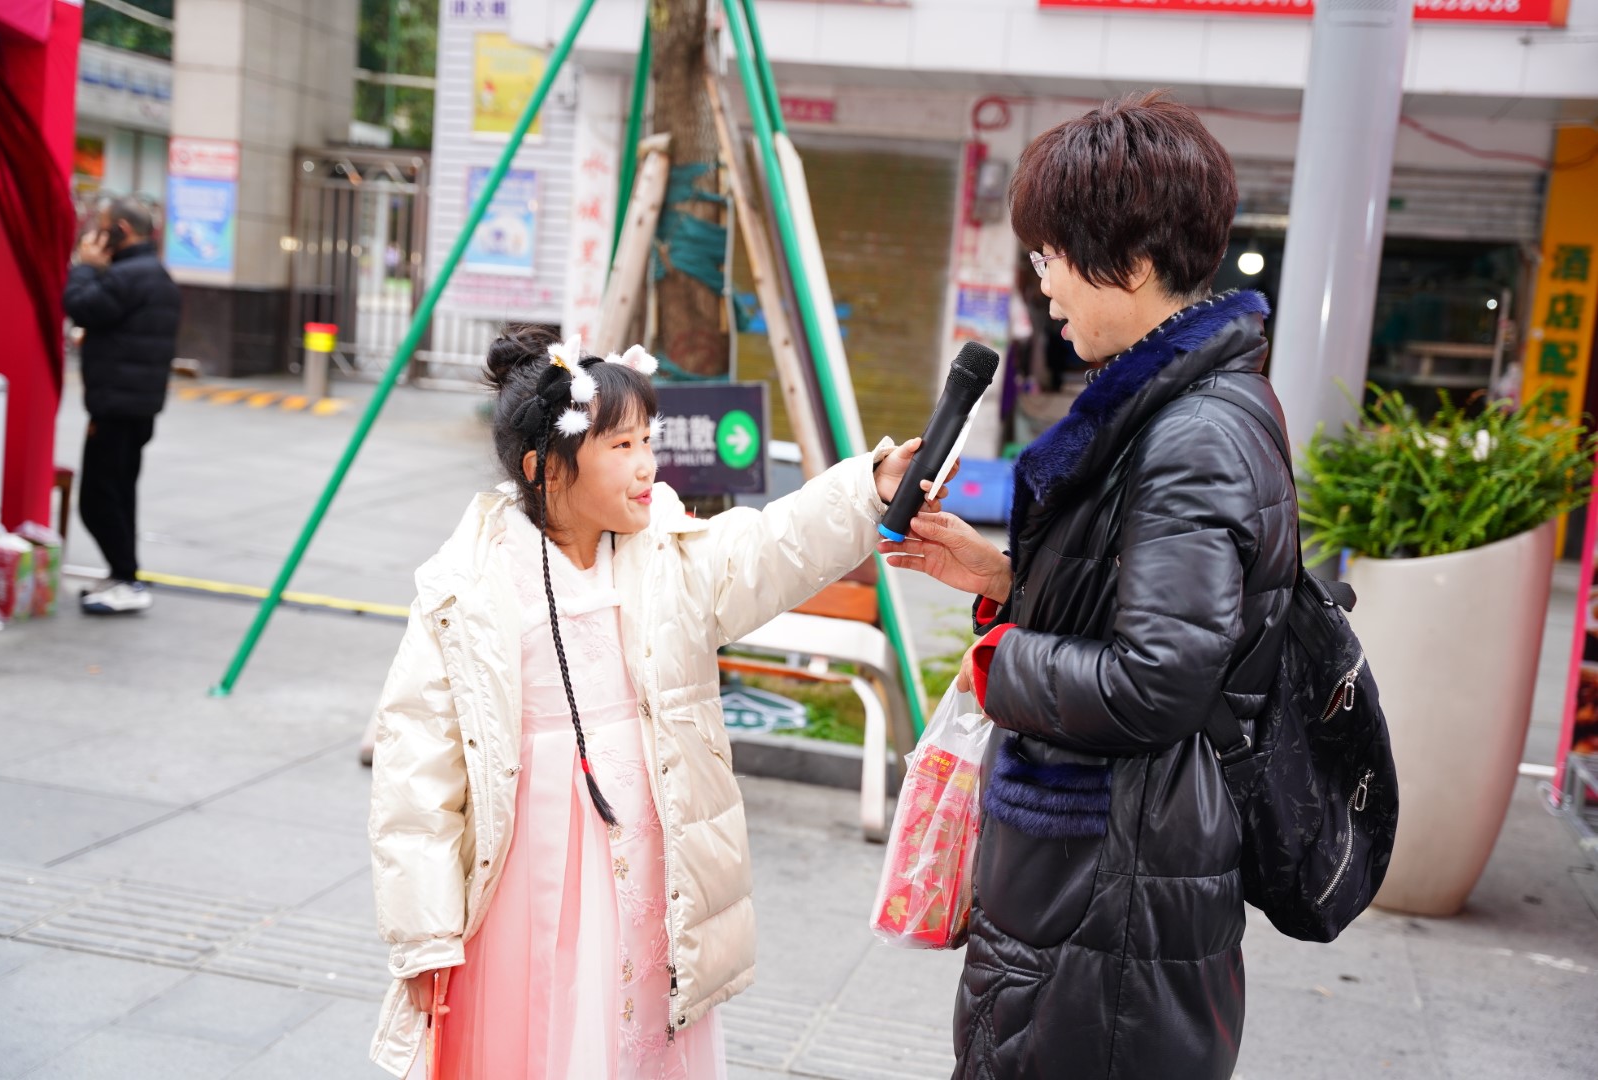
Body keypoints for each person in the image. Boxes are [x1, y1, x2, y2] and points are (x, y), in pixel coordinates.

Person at [366, 326, 944, 1079]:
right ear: (545, 468)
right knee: (540, 1032)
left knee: (632, 1033)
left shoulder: (670, 555)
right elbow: (415, 777)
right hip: (520, 879)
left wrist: (866, 488)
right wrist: (425, 938)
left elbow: (772, 547)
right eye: (621, 446)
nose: (647, 465)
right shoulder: (465, 591)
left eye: (648, 440)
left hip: (647, 859)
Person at [878, 91, 1297, 1079]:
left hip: (1110, 909)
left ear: (1135, 262)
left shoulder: (1192, 435)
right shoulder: (1188, 409)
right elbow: (1151, 611)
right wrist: (1006, 579)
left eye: (1054, 254)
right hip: (1106, 883)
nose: (1043, 283)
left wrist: (1003, 659)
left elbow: (1157, 680)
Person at [62, 196, 181, 614]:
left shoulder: (127, 276)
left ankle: (127, 579)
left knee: (97, 499)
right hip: (138, 406)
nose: (96, 233)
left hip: (114, 406)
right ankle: (121, 575)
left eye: (102, 225)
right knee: (120, 493)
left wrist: (85, 266)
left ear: (122, 230)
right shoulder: (155, 274)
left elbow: (79, 306)